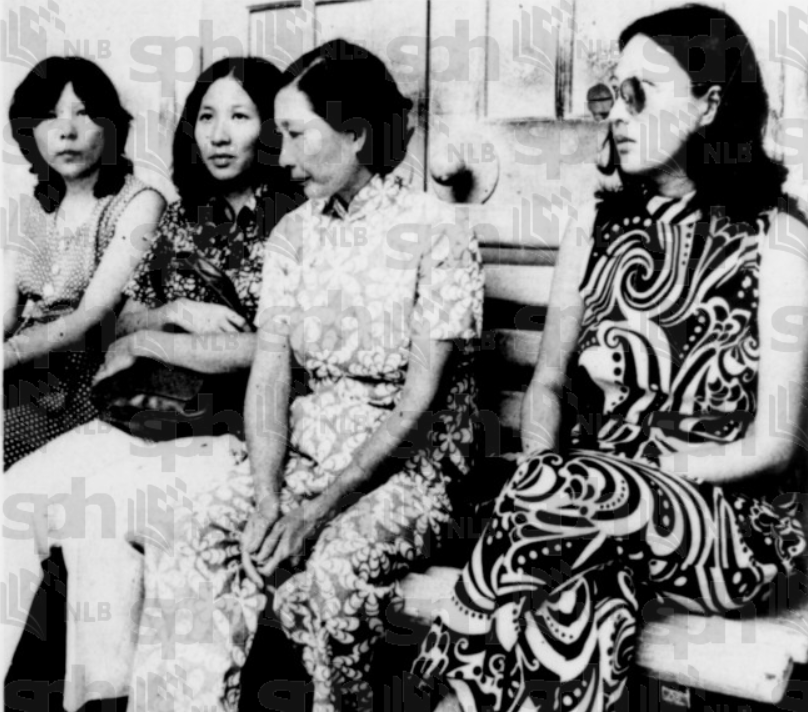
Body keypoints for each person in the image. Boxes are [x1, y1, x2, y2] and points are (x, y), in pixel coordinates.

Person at [411, 5, 808, 712]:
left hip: (728, 525)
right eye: (610, 96)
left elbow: (774, 447)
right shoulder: (594, 225)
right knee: (590, 599)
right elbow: (548, 384)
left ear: (709, 105)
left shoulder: (777, 239)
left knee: (579, 515)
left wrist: (634, 476)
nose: (617, 114)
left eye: (638, 95)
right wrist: (542, 468)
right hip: (582, 514)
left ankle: (450, 671)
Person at [131, 38, 484, 712]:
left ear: (354, 134)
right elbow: (270, 372)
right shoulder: (294, 233)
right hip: (307, 454)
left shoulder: (436, 230)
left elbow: (419, 402)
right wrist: (270, 498)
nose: (282, 154)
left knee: (331, 573)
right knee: (196, 527)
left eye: (295, 133)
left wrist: (316, 513)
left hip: (409, 471)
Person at [2, 56, 299, 712]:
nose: (219, 133)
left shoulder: (295, 224)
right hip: (144, 411)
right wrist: (170, 316)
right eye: (206, 116)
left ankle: (111, 698)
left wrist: (149, 342)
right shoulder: (184, 217)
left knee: (104, 513)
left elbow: (279, 349)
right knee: (15, 496)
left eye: (240, 116)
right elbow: (129, 317)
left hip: (230, 428)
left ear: (275, 128)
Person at [3, 56, 165, 469]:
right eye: (50, 116)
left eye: (84, 113)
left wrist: (8, 355)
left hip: (84, 385)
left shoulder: (138, 203)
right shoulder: (30, 209)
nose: (67, 131)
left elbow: (89, 320)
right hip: (18, 376)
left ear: (111, 124)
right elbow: (4, 314)